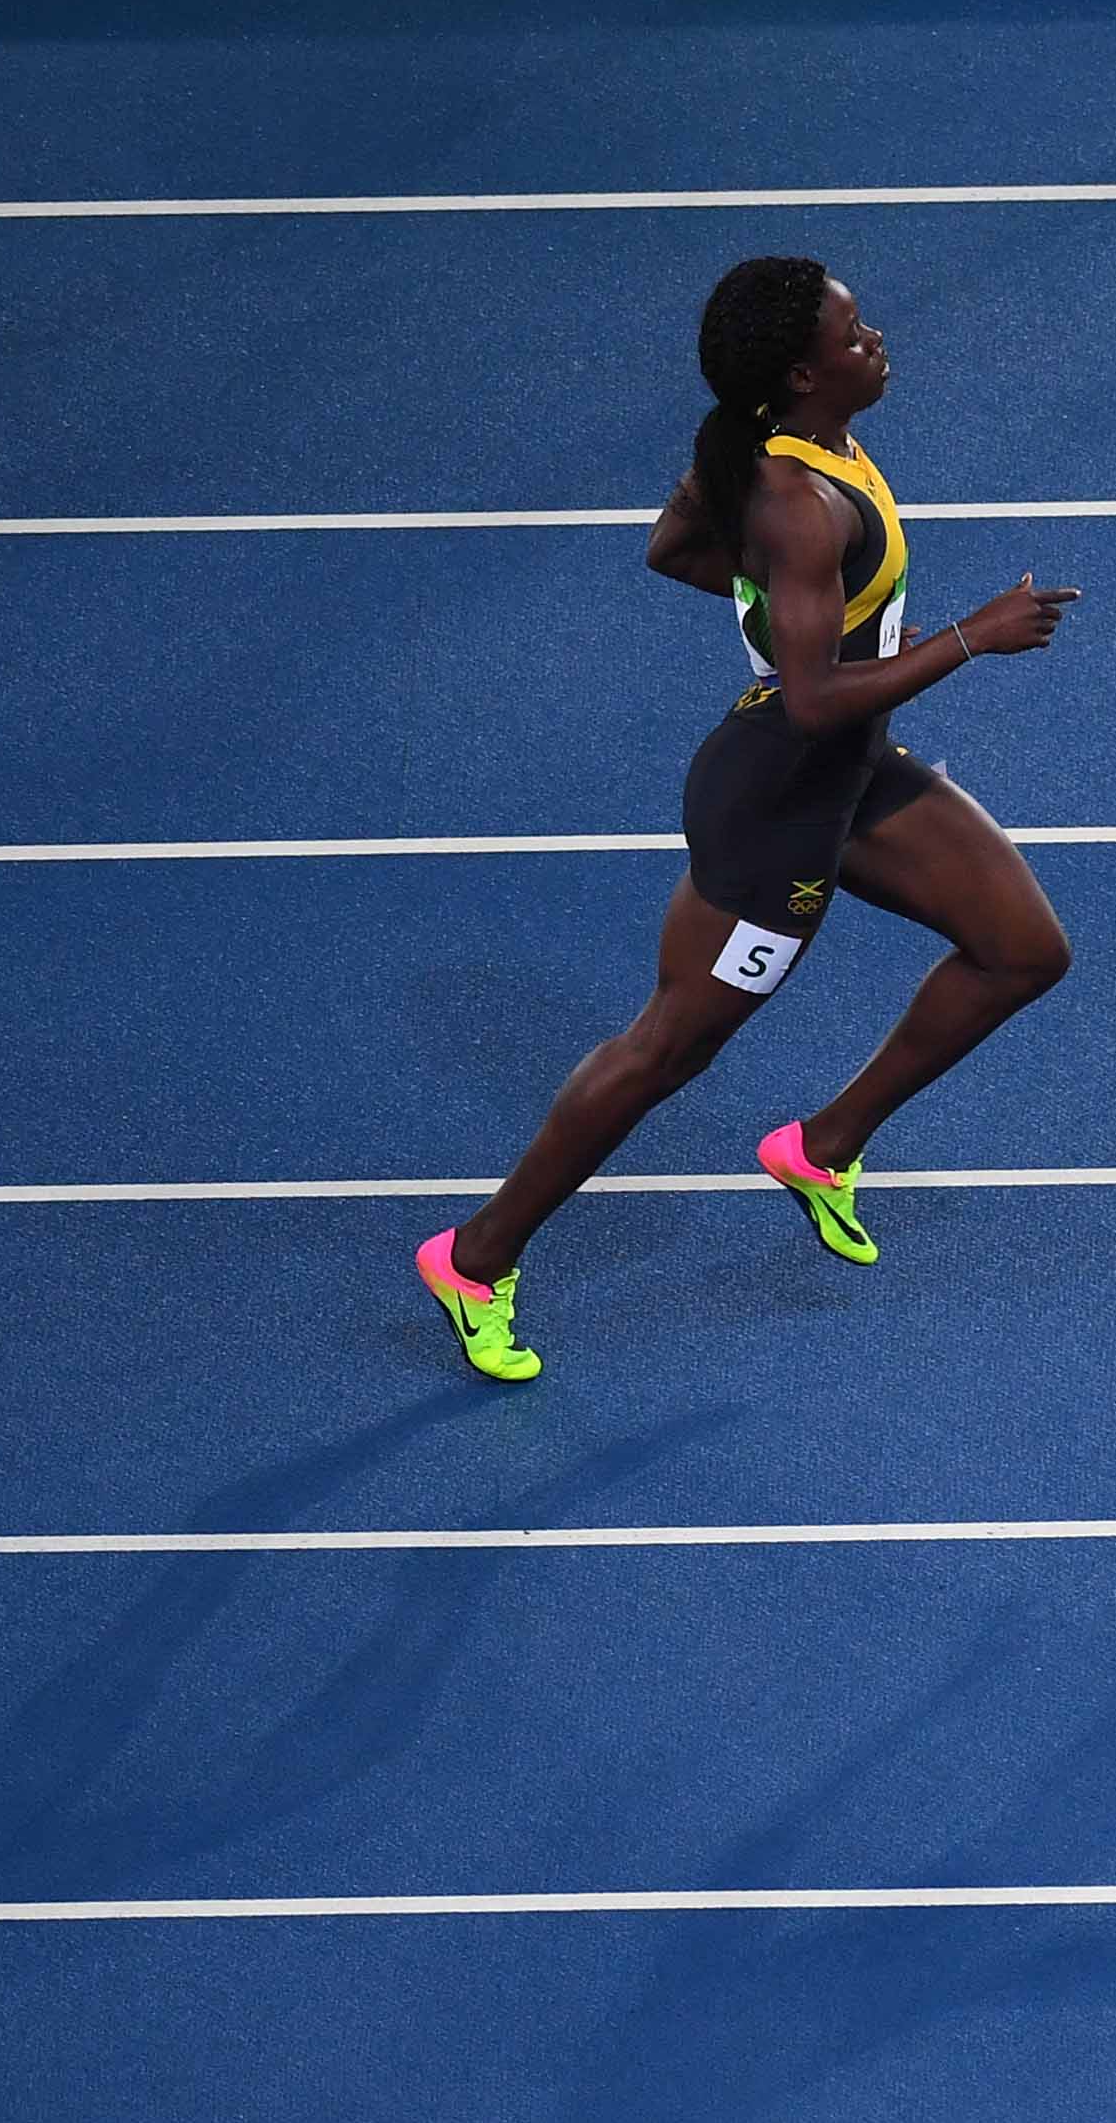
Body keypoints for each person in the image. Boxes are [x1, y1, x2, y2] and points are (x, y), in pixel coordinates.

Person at [413, 257, 1079, 1381]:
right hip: (781, 807)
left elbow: (673, 550)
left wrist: (777, 602)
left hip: (849, 772)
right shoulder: (798, 500)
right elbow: (813, 697)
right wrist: (971, 635)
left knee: (1021, 951)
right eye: (854, 331)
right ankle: (475, 1257)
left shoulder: (809, 452)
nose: (876, 338)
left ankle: (821, 1147)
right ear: (803, 372)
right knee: (668, 1048)